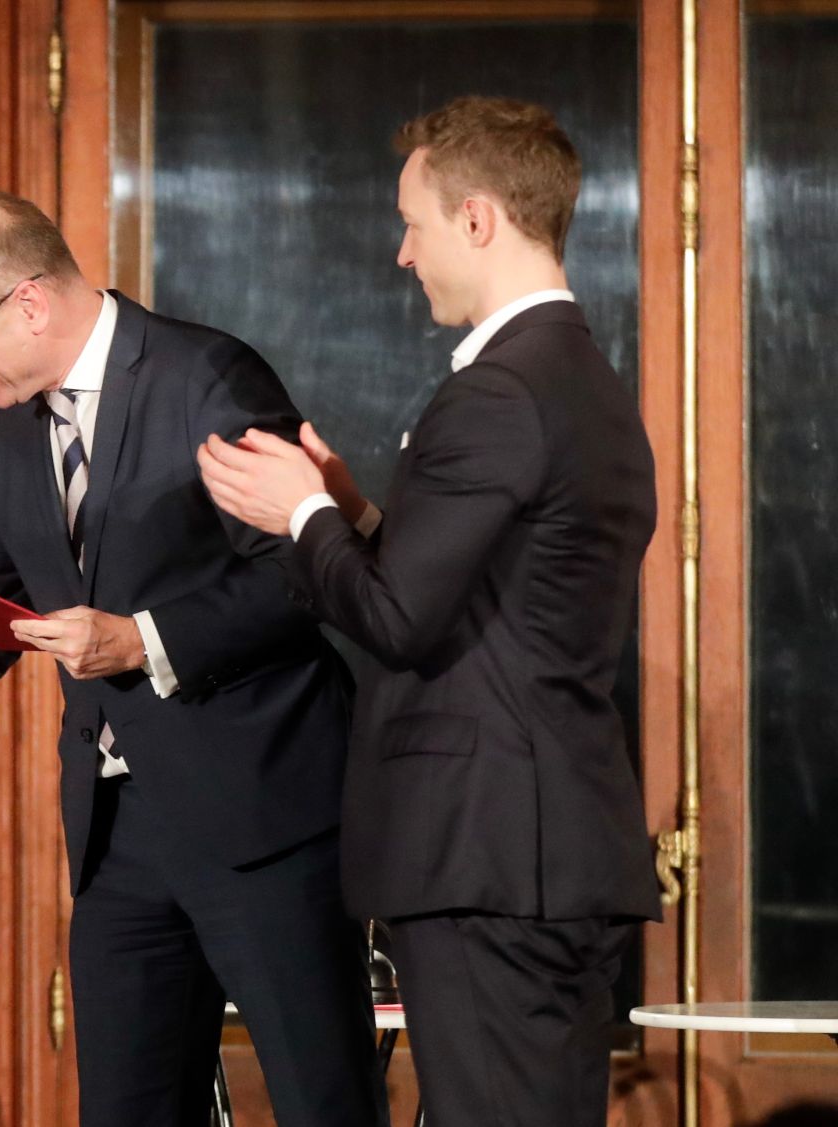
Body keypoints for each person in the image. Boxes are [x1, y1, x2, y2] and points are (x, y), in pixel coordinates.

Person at [0, 190, 385, 1126]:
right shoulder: (9, 431)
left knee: (322, 1103)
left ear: (28, 303)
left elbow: (312, 576)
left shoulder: (206, 376)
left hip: (263, 817)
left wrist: (142, 638)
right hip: (118, 834)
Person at [196, 96, 659, 1127]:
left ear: (478, 219)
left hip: (488, 857)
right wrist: (355, 510)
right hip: (538, 850)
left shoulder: (497, 390)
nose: (403, 256)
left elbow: (400, 622)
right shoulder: (582, 381)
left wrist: (301, 511)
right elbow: (483, 601)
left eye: (412, 224)